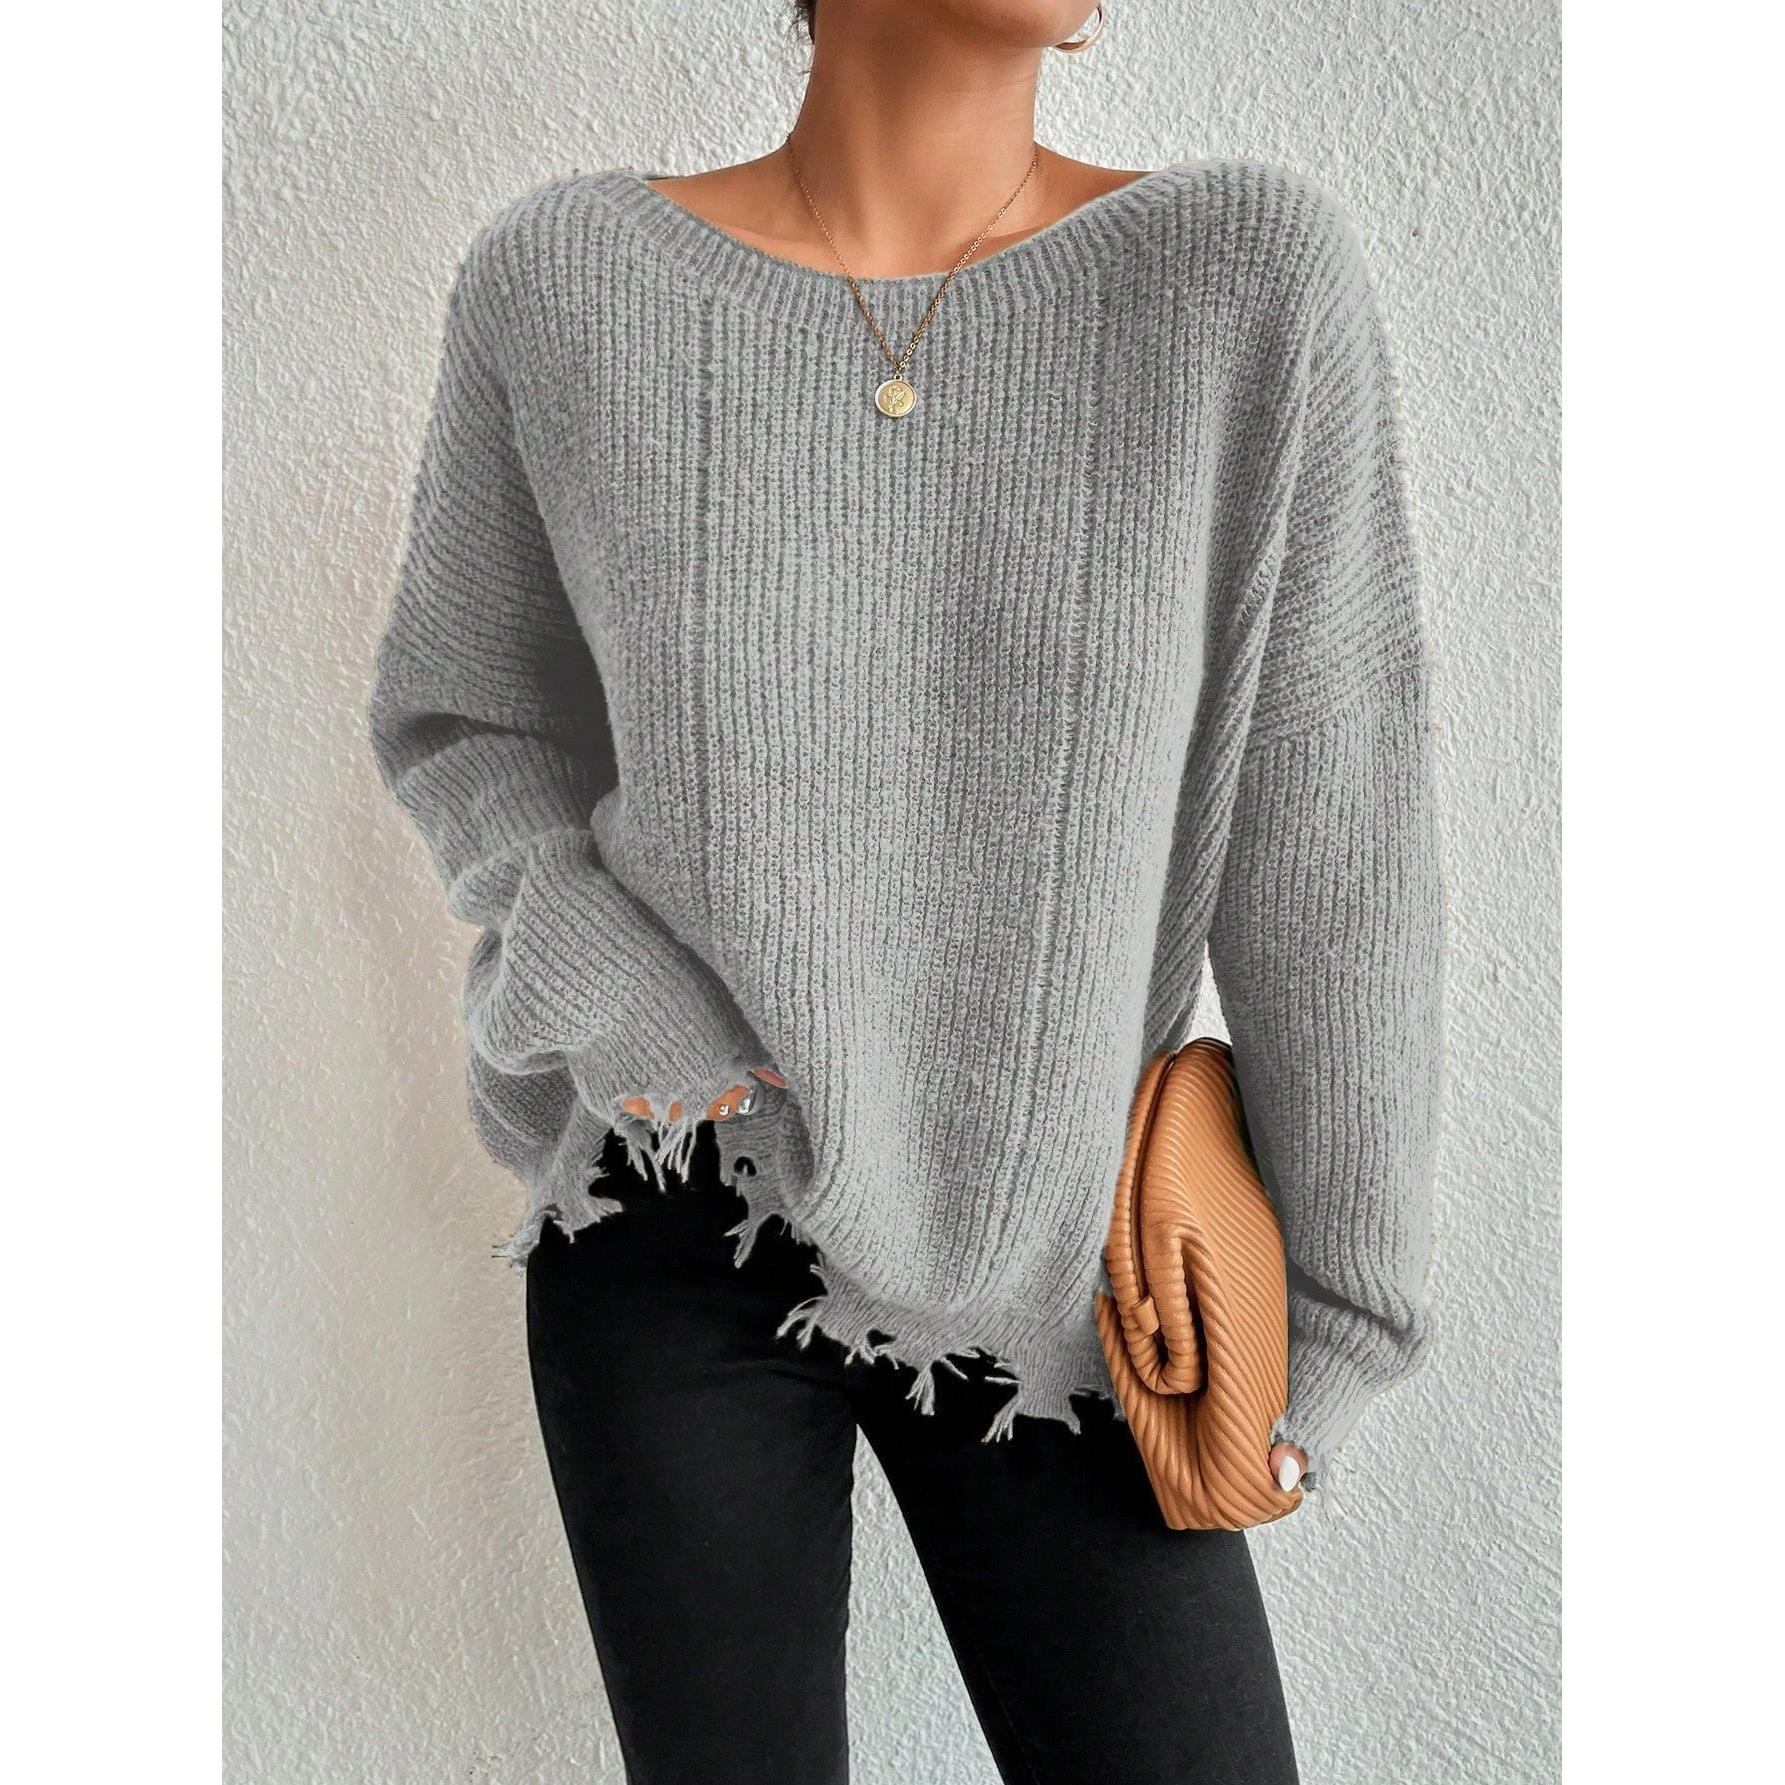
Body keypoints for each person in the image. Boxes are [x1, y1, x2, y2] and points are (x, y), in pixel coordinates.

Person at [368, 1, 1444, 1777]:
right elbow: (472, 718)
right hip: (677, 1204)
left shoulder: (1240, 275)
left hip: (1067, 1258)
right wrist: (631, 1010)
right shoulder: (561, 281)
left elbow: (1335, 817)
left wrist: (1335, 1308)